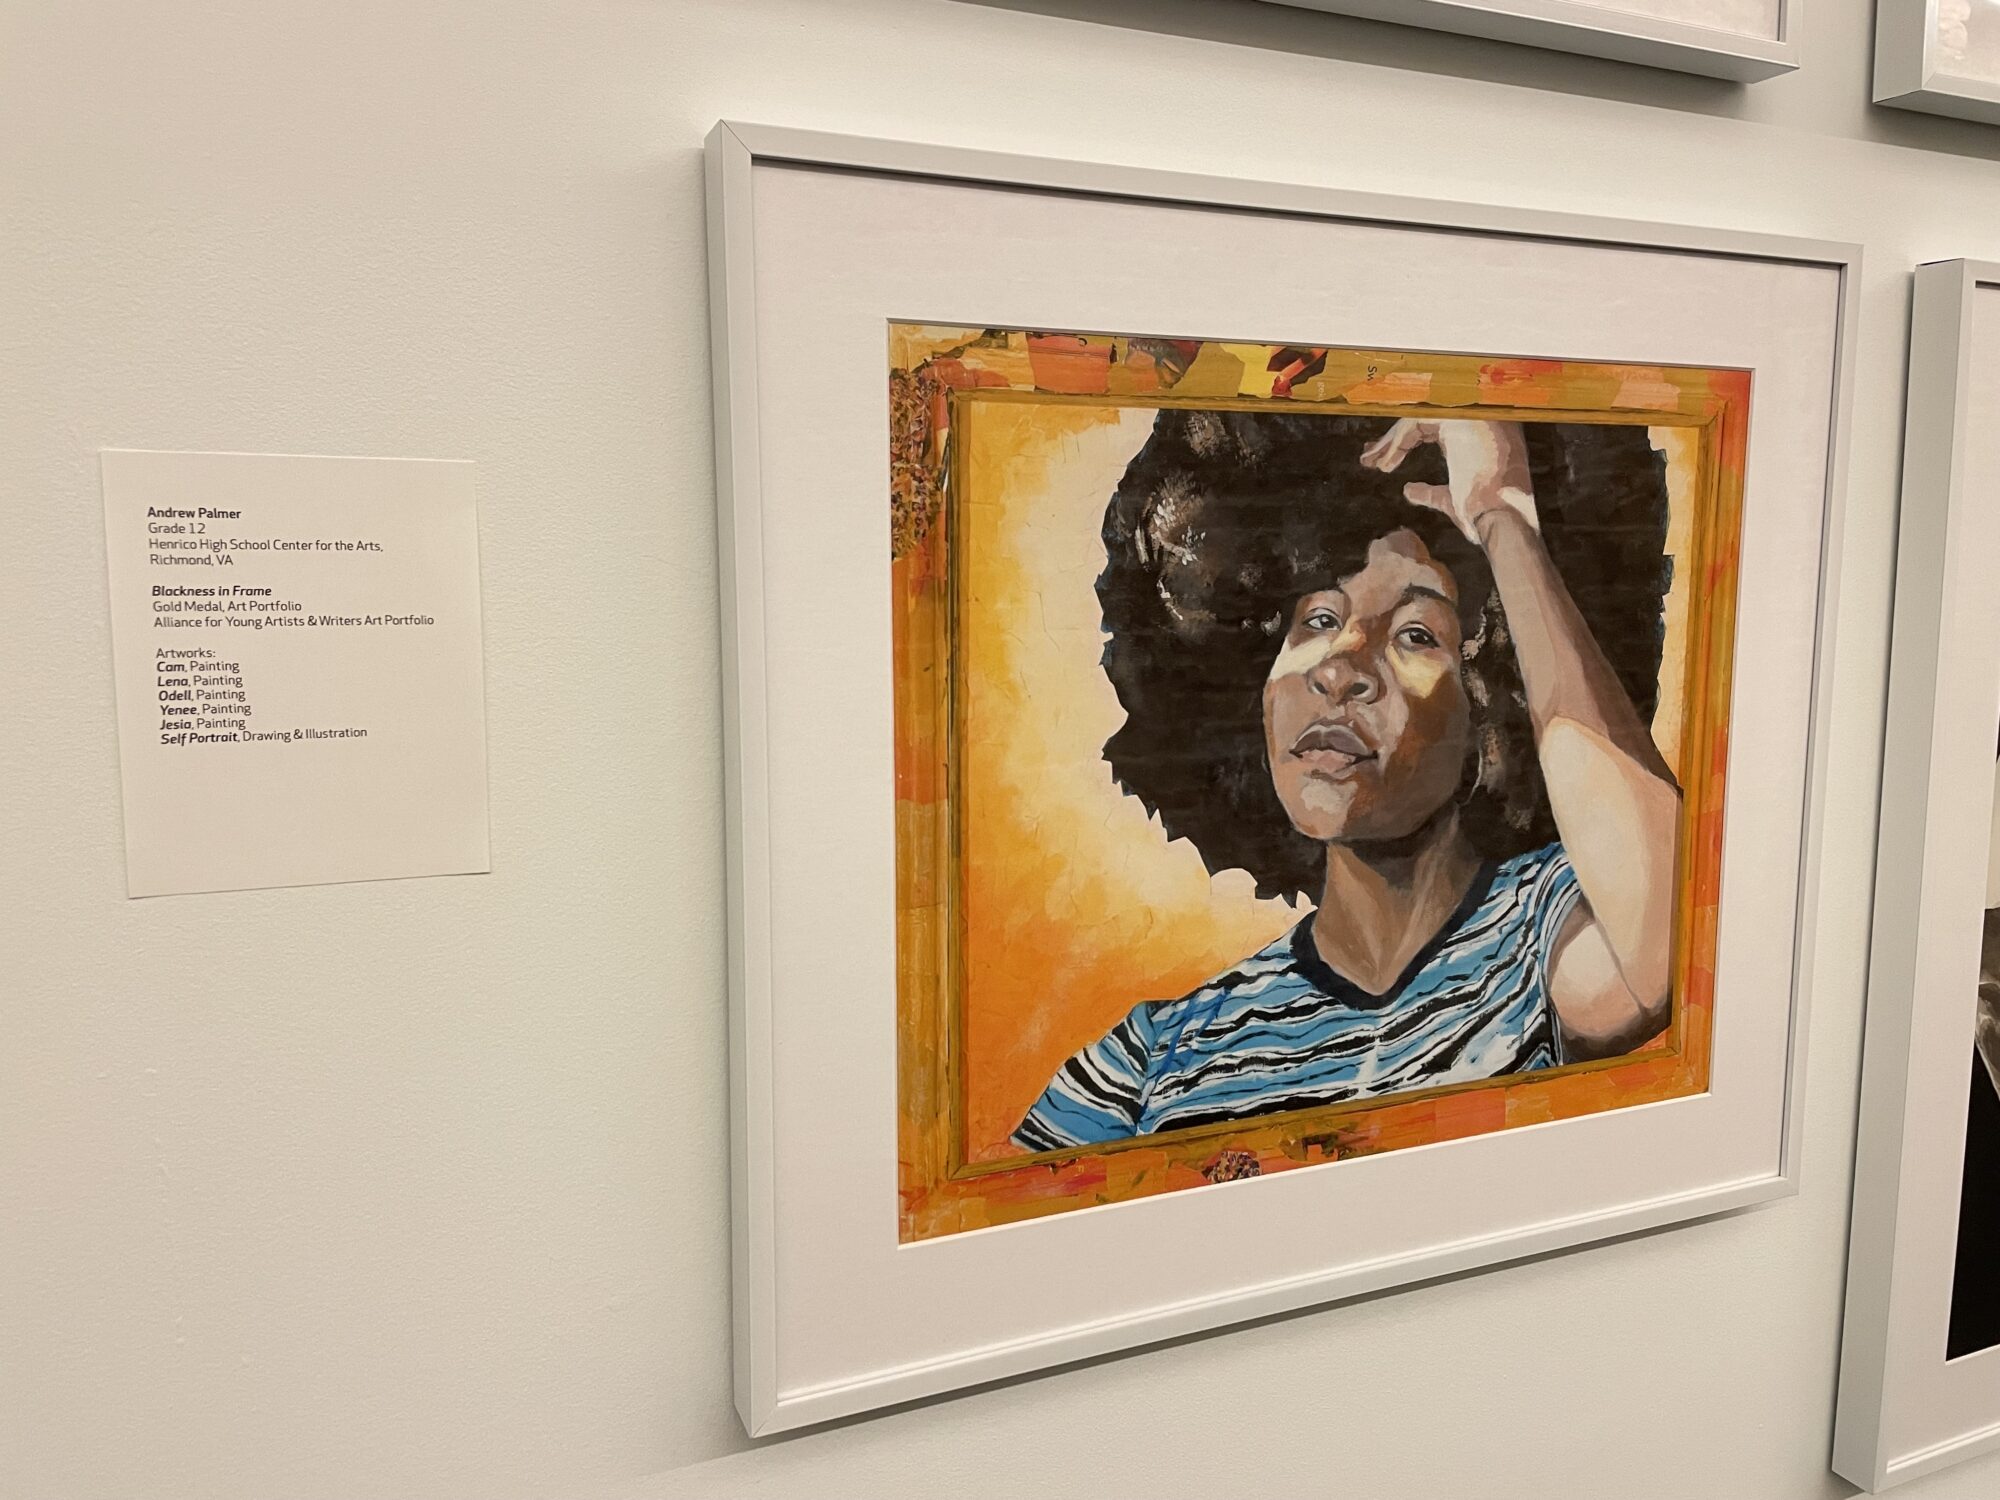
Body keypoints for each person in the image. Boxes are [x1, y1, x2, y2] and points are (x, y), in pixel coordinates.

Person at [1012, 410, 1681, 1151]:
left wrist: (1502, 515)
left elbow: (1668, 953)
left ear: (1494, 705)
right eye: (1318, 621)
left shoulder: (1546, 933)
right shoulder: (1146, 1062)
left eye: (1416, 634)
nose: (1340, 668)